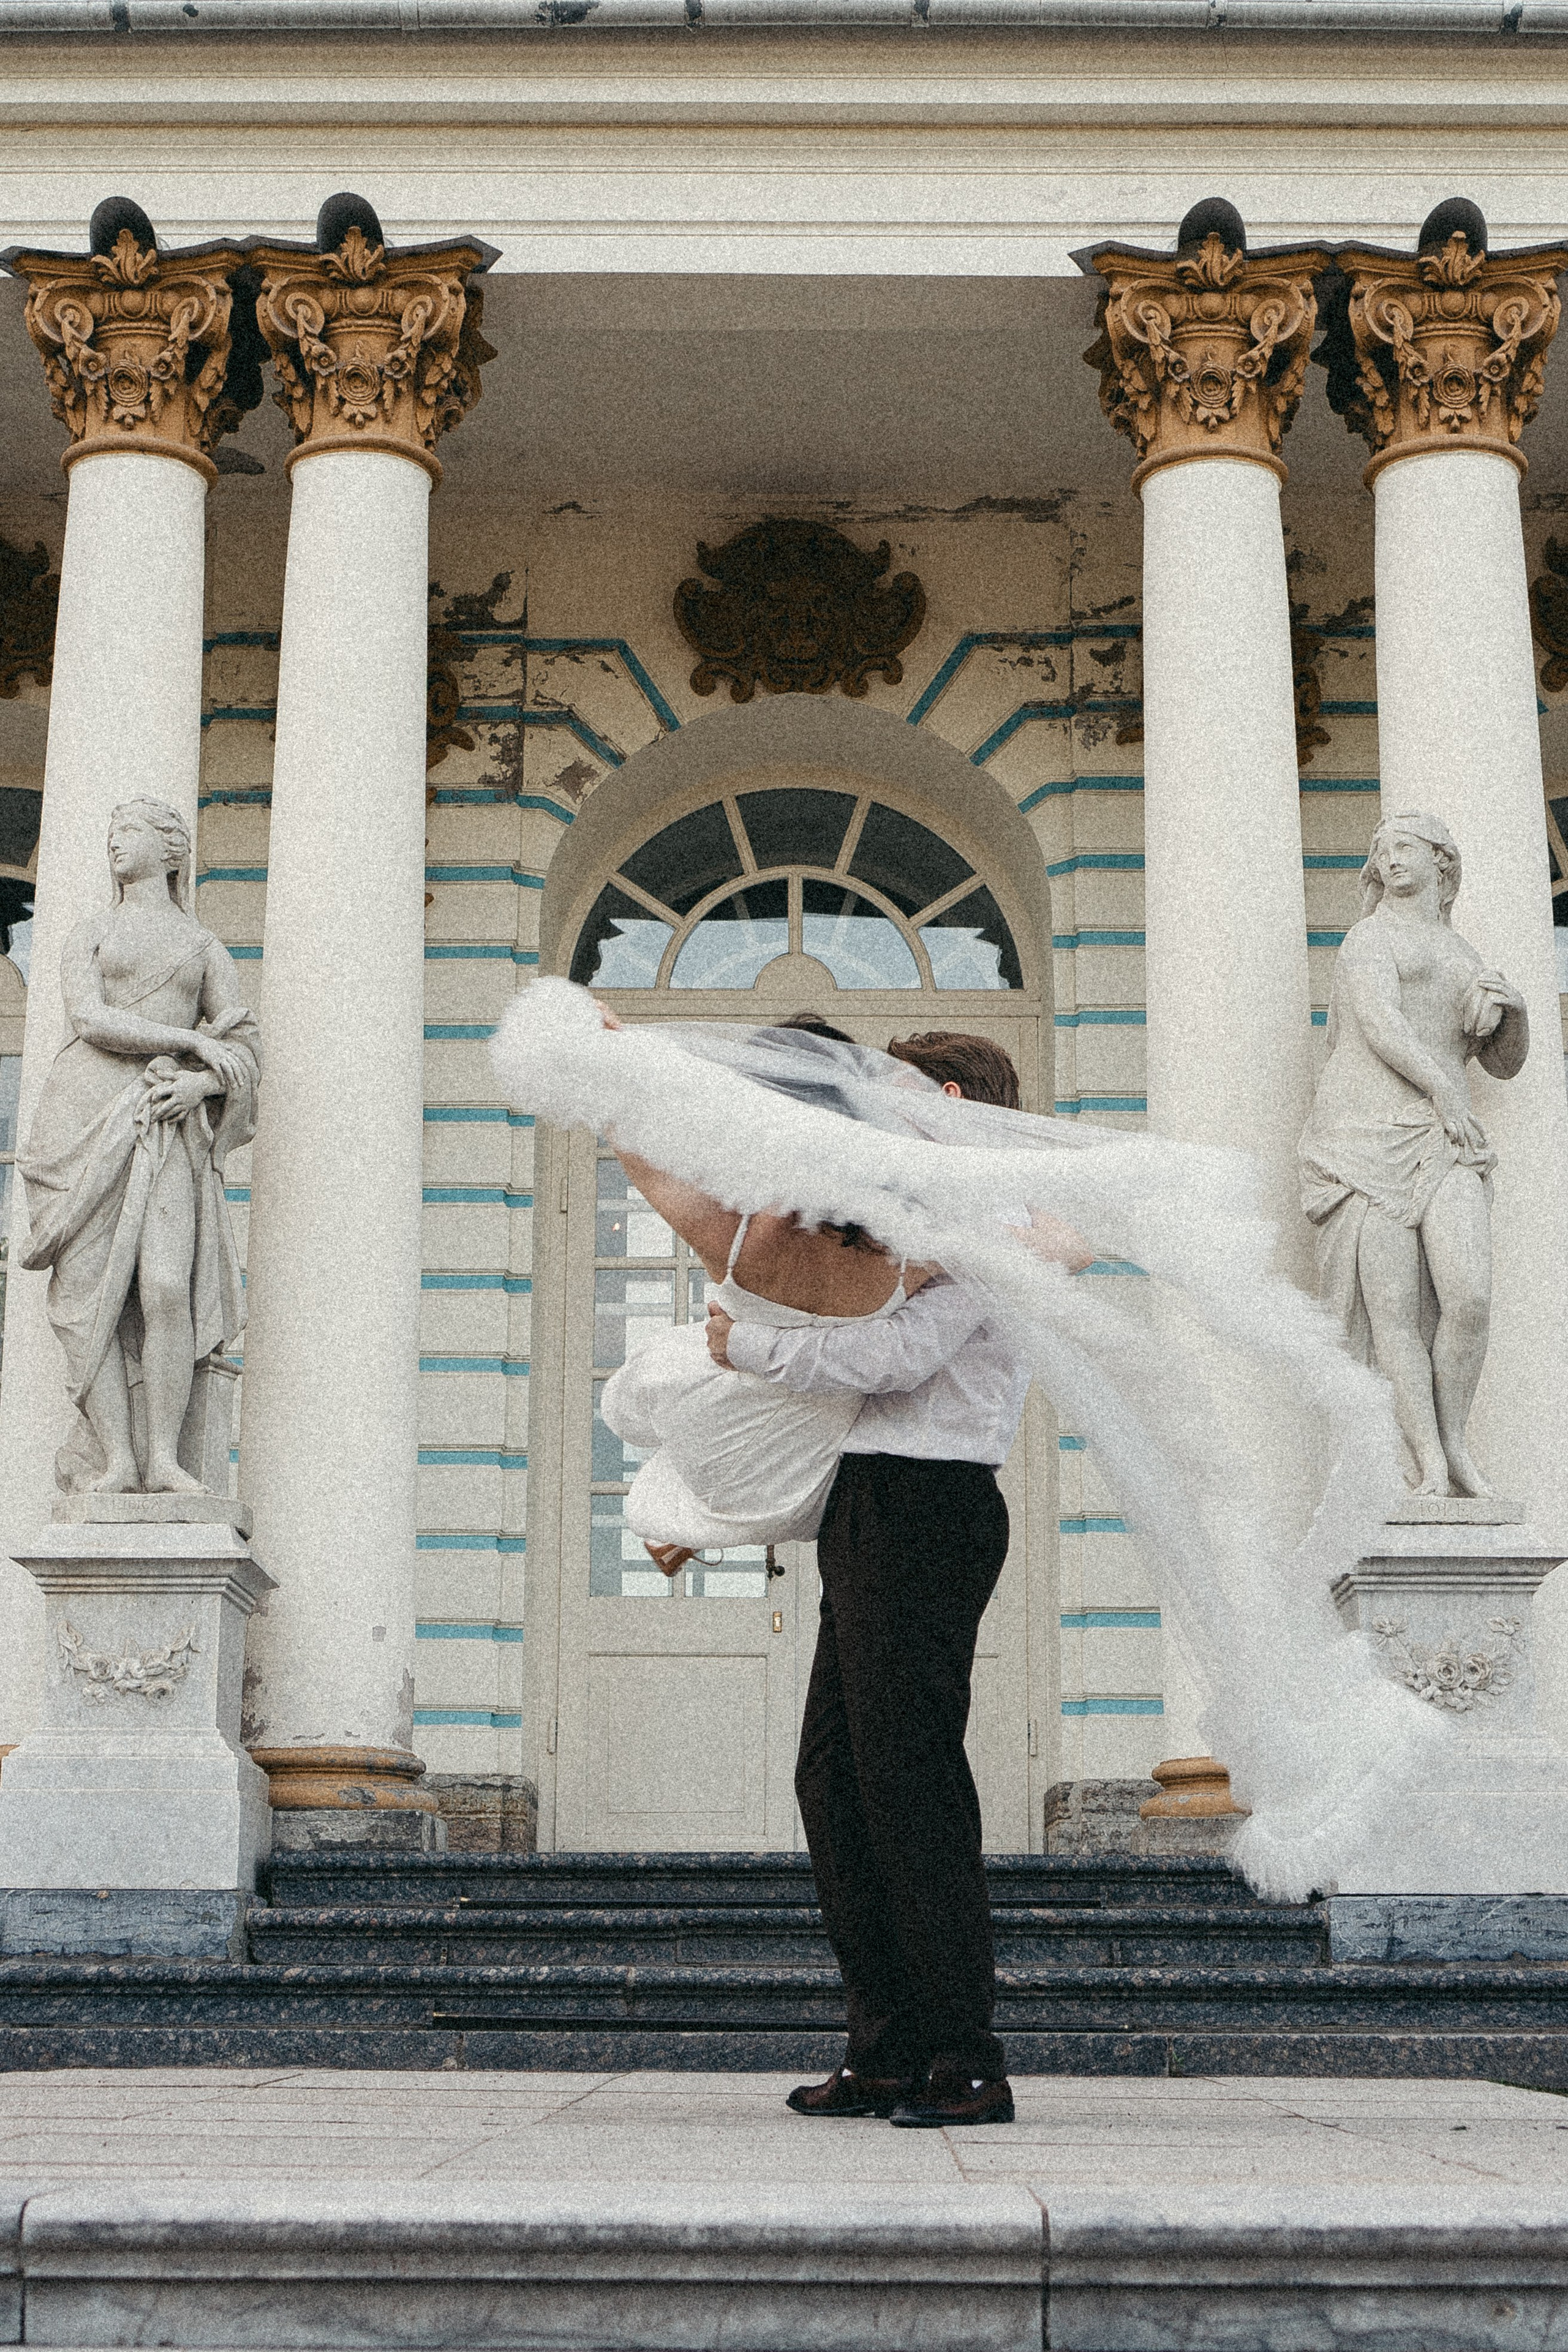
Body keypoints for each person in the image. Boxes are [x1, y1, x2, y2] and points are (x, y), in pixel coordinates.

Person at [703, 1028, 1038, 2128]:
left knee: (910, 1781)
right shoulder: (924, 1230)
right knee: (836, 1782)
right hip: (874, 1501)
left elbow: (892, 1361)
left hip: (931, 1504)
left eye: (892, 1091)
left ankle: (965, 2057)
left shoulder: (994, 1230)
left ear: (946, 1097)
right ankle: (886, 2048)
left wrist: (751, 1351)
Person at [18, 798, 260, 1494]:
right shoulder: (91, 932)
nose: (115, 843)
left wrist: (198, 1087)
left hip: (165, 1121)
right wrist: (190, 1042)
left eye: (129, 831)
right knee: (91, 1300)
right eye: (111, 832)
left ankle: (164, 1458)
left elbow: (243, 1045)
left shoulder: (203, 947)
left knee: (164, 1287)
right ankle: (118, 1460)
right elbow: (89, 1017)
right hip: (83, 1118)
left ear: (172, 851)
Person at [1298, 811, 1527, 1498]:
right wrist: (1442, 1090)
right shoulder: (1369, 938)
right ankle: (1427, 1458)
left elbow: (1504, 1064)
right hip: (1365, 1133)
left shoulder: (1464, 955)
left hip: (1441, 1136)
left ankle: (1455, 1439)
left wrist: (1513, 1010)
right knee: (1390, 1309)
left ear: (1441, 862)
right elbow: (1377, 1022)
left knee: (1470, 1297)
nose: (1390, 859)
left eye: (1403, 848)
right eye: (1382, 851)